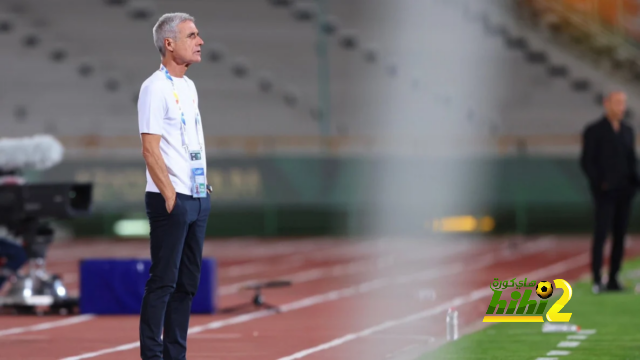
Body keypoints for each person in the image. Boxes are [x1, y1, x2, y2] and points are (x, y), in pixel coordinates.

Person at [137, 12, 211, 360]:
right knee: (163, 283)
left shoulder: (189, 86)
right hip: (172, 200)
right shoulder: (154, 88)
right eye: (192, 35)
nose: (200, 42)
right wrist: (170, 195)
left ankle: (175, 355)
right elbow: (150, 149)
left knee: (187, 286)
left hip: (197, 197)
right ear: (169, 43)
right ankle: (152, 357)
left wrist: (202, 189)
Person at [580, 90, 639, 294]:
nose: (621, 107)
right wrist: (600, 183)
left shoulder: (628, 130)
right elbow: (587, 161)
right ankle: (597, 278)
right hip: (605, 192)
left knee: (621, 236)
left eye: (623, 103)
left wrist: (634, 183)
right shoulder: (594, 130)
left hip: (625, 191)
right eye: (617, 103)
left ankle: (614, 277)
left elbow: (631, 159)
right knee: (601, 234)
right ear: (607, 103)